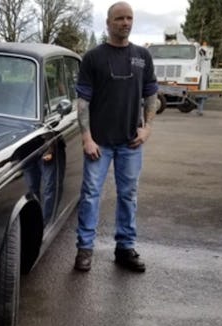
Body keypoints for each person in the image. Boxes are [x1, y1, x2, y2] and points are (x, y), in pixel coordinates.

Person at [73, 1, 158, 272]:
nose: (125, 22)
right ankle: (84, 249)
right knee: (90, 195)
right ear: (108, 23)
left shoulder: (143, 57)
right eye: (119, 18)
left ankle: (125, 249)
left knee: (128, 195)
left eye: (129, 18)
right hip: (99, 144)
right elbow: (83, 102)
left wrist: (147, 129)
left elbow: (151, 95)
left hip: (130, 142)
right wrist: (86, 138)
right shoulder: (93, 58)